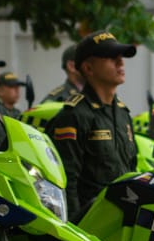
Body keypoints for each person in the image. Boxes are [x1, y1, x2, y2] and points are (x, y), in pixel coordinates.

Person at [47, 31, 139, 219]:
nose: (120, 62)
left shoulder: (123, 114)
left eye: (121, 57)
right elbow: (66, 181)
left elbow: (131, 169)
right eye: (111, 57)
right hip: (91, 223)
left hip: (123, 218)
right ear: (88, 68)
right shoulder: (74, 116)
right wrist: (73, 231)